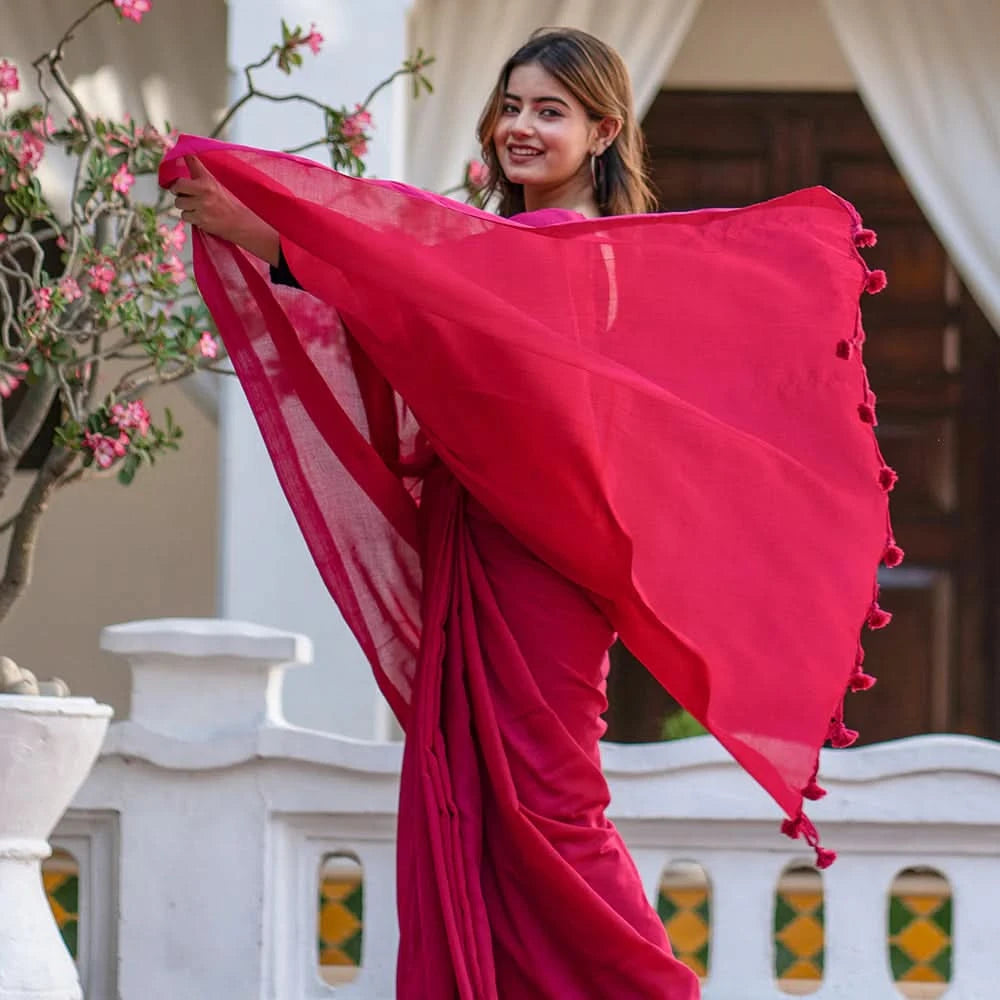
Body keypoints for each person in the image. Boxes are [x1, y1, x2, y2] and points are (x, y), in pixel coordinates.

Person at [162, 26, 893, 1000]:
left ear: (602, 131)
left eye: (548, 111)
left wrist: (271, 234)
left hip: (545, 560)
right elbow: (411, 307)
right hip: (480, 536)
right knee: (475, 800)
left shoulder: (568, 256)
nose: (519, 127)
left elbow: (409, 288)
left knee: (548, 805)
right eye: (510, 106)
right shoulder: (501, 251)